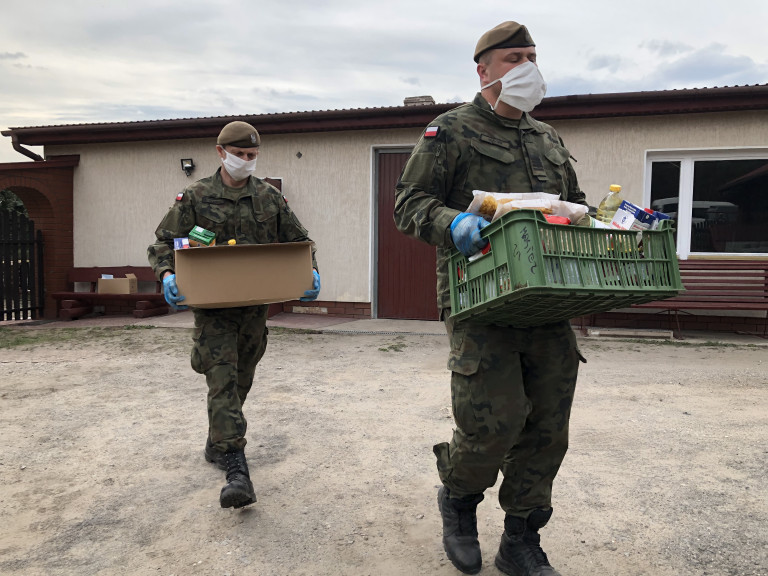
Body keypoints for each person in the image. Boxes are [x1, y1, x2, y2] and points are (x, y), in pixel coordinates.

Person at [393, 21, 587, 576]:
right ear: (483, 70)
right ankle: (458, 501)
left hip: (546, 297)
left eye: (532, 56)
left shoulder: (547, 138)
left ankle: (521, 539)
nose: (527, 67)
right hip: (480, 297)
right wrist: (450, 219)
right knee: (492, 423)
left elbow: (570, 208)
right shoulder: (450, 130)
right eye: (513, 58)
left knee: (548, 427)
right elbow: (409, 202)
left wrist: (608, 224)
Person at [148, 121, 320, 509]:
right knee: (222, 378)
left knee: (241, 378)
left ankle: (216, 441)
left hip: (254, 310)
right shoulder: (195, 196)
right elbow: (163, 242)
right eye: (240, 154)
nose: (246, 161)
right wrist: (167, 273)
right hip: (213, 310)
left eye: (252, 155)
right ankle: (236, 469)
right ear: (220, 151)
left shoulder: (269, 198)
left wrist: (311, 271)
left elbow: (299, 242)